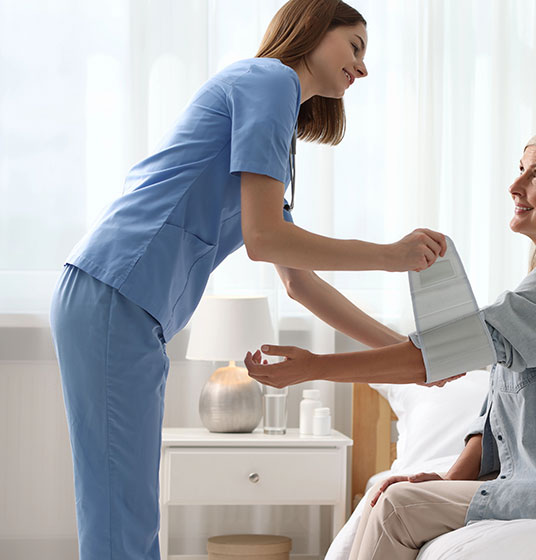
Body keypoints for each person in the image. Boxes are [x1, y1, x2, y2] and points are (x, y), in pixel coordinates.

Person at [49, 1, 449, 559]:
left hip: (125, 301)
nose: (363, 69)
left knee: (125, 501)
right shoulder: (269, 80)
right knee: (122, 505)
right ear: (311, 27)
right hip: (116, 289)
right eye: (354, 46)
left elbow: (300, 284)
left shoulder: (275, 123)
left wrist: (406, 356)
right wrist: (391, 256)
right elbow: (265, 241)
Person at [245, 127, 536, 560]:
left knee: (397, 508)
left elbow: (445, 352)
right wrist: (448, 481)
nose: (515, 185)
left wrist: (313, 367)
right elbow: (497, 410)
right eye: (519, 171)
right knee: (395, 495)